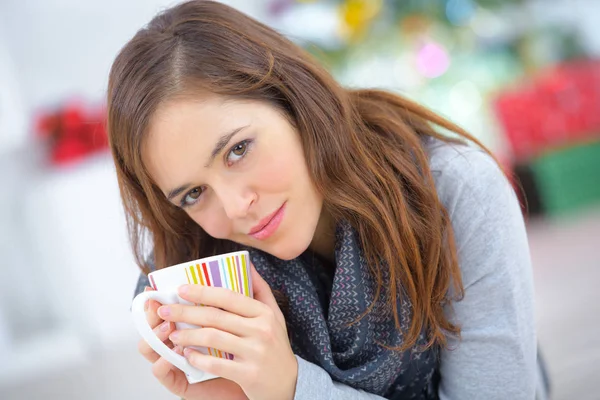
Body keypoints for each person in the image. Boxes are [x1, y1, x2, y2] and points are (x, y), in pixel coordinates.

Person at [107, 1, 549, 399]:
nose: (236, 206)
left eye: (238, 150)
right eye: (193, 194)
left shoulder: (455, 191)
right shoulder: (197, 275)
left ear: (294, 100)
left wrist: (292, 388)